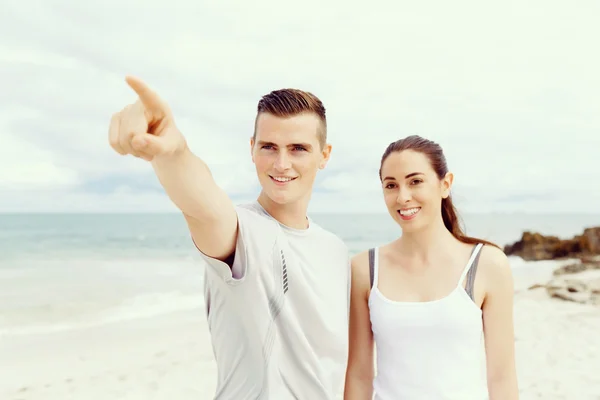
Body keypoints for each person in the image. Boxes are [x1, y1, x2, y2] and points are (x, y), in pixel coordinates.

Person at [108, 76, 350, 399]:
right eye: (269, 147)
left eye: (298, 149)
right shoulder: (243, 232)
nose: (282, 163)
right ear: (252, 149)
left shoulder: (335, 251)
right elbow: (204, 206)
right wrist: (173, 151)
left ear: (324, 154)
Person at [343, 135, 519, 400]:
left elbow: (502, 376)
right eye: (391, 185)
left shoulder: (487, 264)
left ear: (445, 184)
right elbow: (358, 374)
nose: (403, 197)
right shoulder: (364, 269)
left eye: (415, 181)